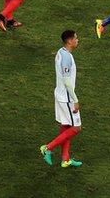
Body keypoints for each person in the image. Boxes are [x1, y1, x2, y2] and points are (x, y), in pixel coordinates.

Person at [40, 30, 83, 168]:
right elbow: (66, 80)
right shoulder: (66, 58)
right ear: (69, 41)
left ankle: (65, 159)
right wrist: (75, 99)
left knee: (66, 126)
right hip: (67, 98)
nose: (77, 40)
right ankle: (48, 148)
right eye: (75, 38)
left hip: (60, 95)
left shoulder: (61, 52)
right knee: (76, 128)